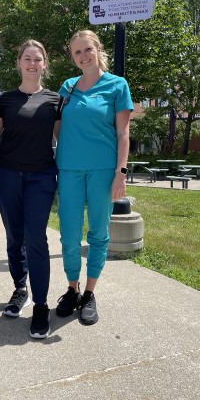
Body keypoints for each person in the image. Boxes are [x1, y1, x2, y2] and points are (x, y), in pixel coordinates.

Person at [55, 29, 133, 325]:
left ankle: (89, 293)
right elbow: (57, 125)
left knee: (98, 234)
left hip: (103, 170)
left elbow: (123, 132)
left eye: (88, 49)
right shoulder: (68, 87)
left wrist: (120, 173)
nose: (83, 56)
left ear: (98, 50)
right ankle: (71, 289)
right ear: (73, 58)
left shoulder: (117, 85)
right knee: (70, 235)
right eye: (77, 52)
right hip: (69, 169)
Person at [0, 40, 61, 339]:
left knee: (36, 239)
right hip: (7, 174)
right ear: (18, 63)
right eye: (27, 58)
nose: (33, 63)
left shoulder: (56, 100)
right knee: (14, 236)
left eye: (38, 59)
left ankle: (41, 305)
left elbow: (67, 138)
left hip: (41, 177)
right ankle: (20, 289)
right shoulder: (5, 99)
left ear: (45, 64)